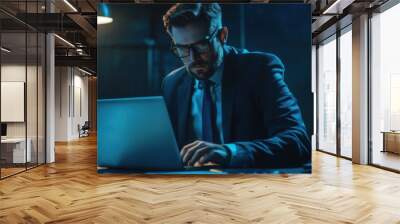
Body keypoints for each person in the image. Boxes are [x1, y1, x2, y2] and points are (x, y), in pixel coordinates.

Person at [161, 3, 311, 168]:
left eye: (201, 45)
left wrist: (230, 152)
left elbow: (298, 141)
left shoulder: (259, 70)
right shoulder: (172, 84)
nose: (193, 58)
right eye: (182, 49)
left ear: (223, 35)